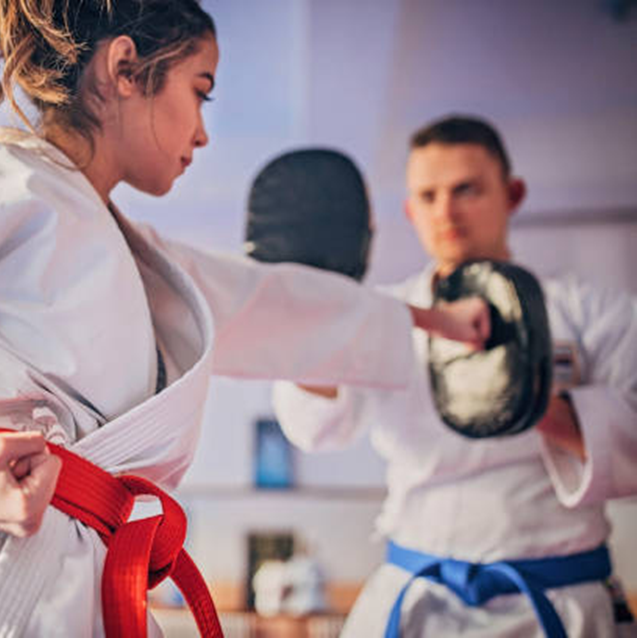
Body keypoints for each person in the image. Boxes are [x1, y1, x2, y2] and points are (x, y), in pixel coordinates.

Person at [0, 3, 488, 636]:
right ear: (126, 69)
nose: (204, 131)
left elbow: (276, 303)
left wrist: (437, 322)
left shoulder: (146, 260)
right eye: (200, 90)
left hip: (84, 584)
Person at [273, 115, 637, 637]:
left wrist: (526, 397)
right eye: (428, 196)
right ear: (410, 210)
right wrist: (313, 317)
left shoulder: (594, 312)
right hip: (419, 597)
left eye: (466, 189)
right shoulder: (383, 315)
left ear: (512, 194)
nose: (446, 212)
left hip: (559, 601)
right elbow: (315, 427)